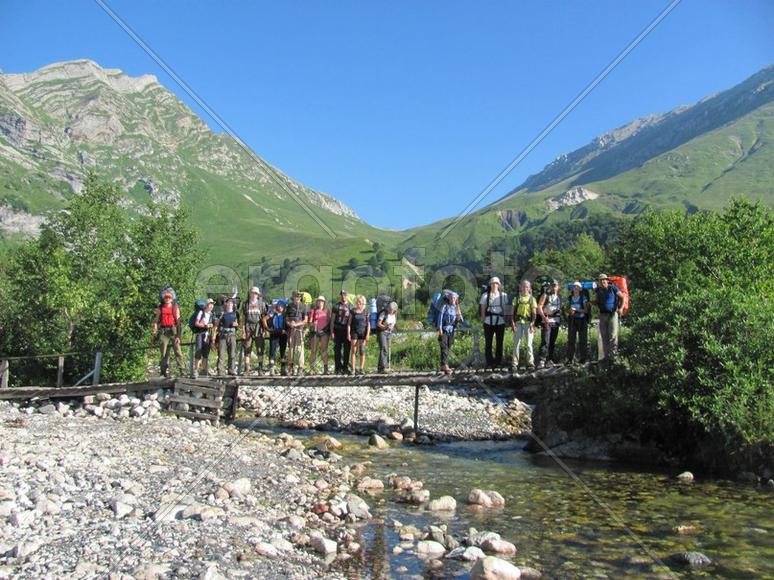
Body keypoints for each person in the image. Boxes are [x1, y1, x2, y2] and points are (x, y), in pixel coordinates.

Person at [151, 288, 185, 378]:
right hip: (164, 330)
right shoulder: (160, 308)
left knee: (177, 350)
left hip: (173, 330)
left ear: (172, 298)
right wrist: (154, 329)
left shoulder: (175, 307)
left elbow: (178, 322)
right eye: (166, 297)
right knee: (163, 352)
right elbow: (156, 320)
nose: (167, 299)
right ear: (163, 298)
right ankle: (163, 372)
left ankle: (182, 370)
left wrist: (178, 336)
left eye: (169, 297)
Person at [595, 273, 626, 362]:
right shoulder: (598, 290)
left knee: (612, 336)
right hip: (602, 315)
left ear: (607, 281)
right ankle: (607, 357)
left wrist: (621, 308)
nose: (602, 281)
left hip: (612, 314)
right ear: (599, 282)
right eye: (601, 280)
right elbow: (598, 301)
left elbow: (622, 297)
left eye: (604, 280)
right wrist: (591, 303)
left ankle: (614, 358)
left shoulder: (613, 288)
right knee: (604, 337)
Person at [479, 277, 509, 370]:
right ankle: (489, 363)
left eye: (496, 283)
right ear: (490, 285)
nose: (494, 285)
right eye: (492, 283)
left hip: (500, 321)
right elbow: (483, 308)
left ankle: (498, 362)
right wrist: (483, 318)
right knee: (488, 343)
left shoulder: (503, 295)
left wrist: (506, 319)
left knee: (499, 342)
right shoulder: (485, 295)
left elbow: (504, 308)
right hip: (488, 321)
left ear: (499, 285)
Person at [511, 280, 537, 370]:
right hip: (518, 323)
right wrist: (512, 324)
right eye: (523, 286)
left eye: (527, 287)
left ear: (529, 288)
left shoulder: (532, 299)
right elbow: (512, 313)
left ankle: (530, 363)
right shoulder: (516, 299)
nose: (525, 288)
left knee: (529, 344)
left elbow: (534, 313)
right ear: (520, 287)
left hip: (528, 323)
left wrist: (533, 324)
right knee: (516, 343)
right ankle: (514, 363)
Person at [242, 287, 267, 375]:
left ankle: (260, 368)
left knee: (260, 348)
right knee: (247, 349)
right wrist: (243, 331)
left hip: (258, 327)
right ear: (250, 293)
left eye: (255, 293)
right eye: (252, 292)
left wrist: (265, 329)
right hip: (248, 327)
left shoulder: (262, 304)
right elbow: (244, 318)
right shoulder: (245, 304)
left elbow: (264, 318)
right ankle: (247, 369)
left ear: (258, 294)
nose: (254, 294)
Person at [537, 279, 562, 368]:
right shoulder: (545, 295)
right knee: (545, 341)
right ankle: (542, 360)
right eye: (552, 286)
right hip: (546, 321)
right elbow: (539, 307)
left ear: (558, 287)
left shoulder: (559, 297)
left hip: (556, 321)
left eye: (555, 286)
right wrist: (544, 317)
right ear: (550, 287)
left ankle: (549, 360)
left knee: (552, 342)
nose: (554, 287)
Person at [437, 292, 462, 374]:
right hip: (444, 329)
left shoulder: (456, 308)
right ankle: (444, 365)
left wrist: (470, 326)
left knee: (448, 347)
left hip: (451, 330)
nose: (453, 299)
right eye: (451, 298)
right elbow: (440, 317)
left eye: (454, 298)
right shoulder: (445, 306)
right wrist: (439, 328)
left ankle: (443, 365)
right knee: (444, 347)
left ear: (456, 299)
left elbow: (462, 320)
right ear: (449, 298)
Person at [213, 297, 239, 375]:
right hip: (223, 335)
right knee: (221, 353)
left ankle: (231, 370)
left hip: (232, 335)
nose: (230, 304)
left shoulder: (235, 314)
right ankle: (220, 371)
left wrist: (236, 324)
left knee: (232, 354)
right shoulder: (222, 313)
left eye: (231, 303)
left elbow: (238, 324)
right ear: (226, 304)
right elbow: (216, 325)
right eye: (229, 303)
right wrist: (214, 336)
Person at [566, 282, 591, 364]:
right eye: (574, 286)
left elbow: (586, 310)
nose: (575, 288)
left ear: (580, 289)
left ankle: (583, 359)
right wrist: (570, 311)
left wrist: (575, 309)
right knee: (571, 340)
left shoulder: (583, 298)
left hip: (582, 320)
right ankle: (570, 359)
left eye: (577, 287)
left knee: (583, 340)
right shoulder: (570, 298)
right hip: (572, 320)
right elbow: (567, 310)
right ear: (572, 289)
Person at [285, 291, 308, 375]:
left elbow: (305, 320)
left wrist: (296, 324)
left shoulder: (304, 306)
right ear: (293, 297)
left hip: (300, 330)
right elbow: (286, 318)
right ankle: (290, 368)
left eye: (299, 296)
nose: (297, 297)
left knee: (300, 349)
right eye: (296, 296)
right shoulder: (289, 306)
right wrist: (289, 324)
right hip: (291, 330)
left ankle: (300, 368)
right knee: (291, 348)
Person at [330, 290, 352, 374]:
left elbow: (351, 320)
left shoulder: (350, 306)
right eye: (342, 295)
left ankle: (345, 367)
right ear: (340, 296)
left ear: (347, 296)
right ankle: (337, 368)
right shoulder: (336, 306)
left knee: (347, 350)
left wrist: (350, 332)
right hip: (337, 329)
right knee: (337, 350)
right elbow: (332, 320)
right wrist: (332, 332)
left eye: (345, 295)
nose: (343, 296)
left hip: (346, 330)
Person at [192, 298, 216, 377]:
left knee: (206, 353)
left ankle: (204, 370)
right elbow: (196, 323)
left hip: (207, 335)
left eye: (212, 304)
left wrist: (213, 335)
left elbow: (214, 326)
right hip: (200, 334)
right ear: (206, 305)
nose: (212, 306)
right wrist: (206, 325)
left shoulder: (212, 315)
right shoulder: (201, 312)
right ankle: (195, 370)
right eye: (210, 304)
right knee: (198, 351)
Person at [264, 301, 288, 376]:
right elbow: (264, 319)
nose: (280, 307)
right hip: (274, 333)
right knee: (272, 351)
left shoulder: (285, 315)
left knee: (283, 351)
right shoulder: (272, 314)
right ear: (277, 306)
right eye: (279, 306)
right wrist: (267, 328)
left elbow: (288, 324)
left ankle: (283, 369)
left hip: (283, 334)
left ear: (284, 308)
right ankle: (271, 369)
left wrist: (286, 330)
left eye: (282, 306)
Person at [309, 296, 331, 374]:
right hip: (315, 332)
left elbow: (329, 321)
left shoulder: (327, 311)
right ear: (316, 302)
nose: (320, 302)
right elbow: (310, 322)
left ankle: (326, 369)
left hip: (324, 332)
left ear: (324, 302)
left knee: (324, 350)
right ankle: (312, 368)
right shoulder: (313, 311)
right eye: (318, 301)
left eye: (321, 301)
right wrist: (313, 324)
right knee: (313, 350)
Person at [348, 294, 370, 375]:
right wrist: (348, 333)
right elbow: (349, 324)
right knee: (353, 350)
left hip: (363, 333)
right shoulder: (352, 311)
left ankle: (361, 368)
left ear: (363, 302)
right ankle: (353, 369)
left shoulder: (366, 312)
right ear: (356, 302)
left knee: (362, 351)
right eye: (358, 302)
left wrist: (368, 334)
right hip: (354, 332)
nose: (359, 303)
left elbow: (368, 324)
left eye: (361, 302)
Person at [376, 301, 398, 373]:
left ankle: (381, 367)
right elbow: (378, 323)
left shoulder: (394, 315)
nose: (390, 310)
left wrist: (391, 327)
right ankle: (383, 367)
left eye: (391, 309)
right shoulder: (383, 313)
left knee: (386, 350)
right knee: (384, 348)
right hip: (382, 332)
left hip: (389, 333)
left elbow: (393, 324)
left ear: (395, 310)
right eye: (389, 308)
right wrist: (385, 327)